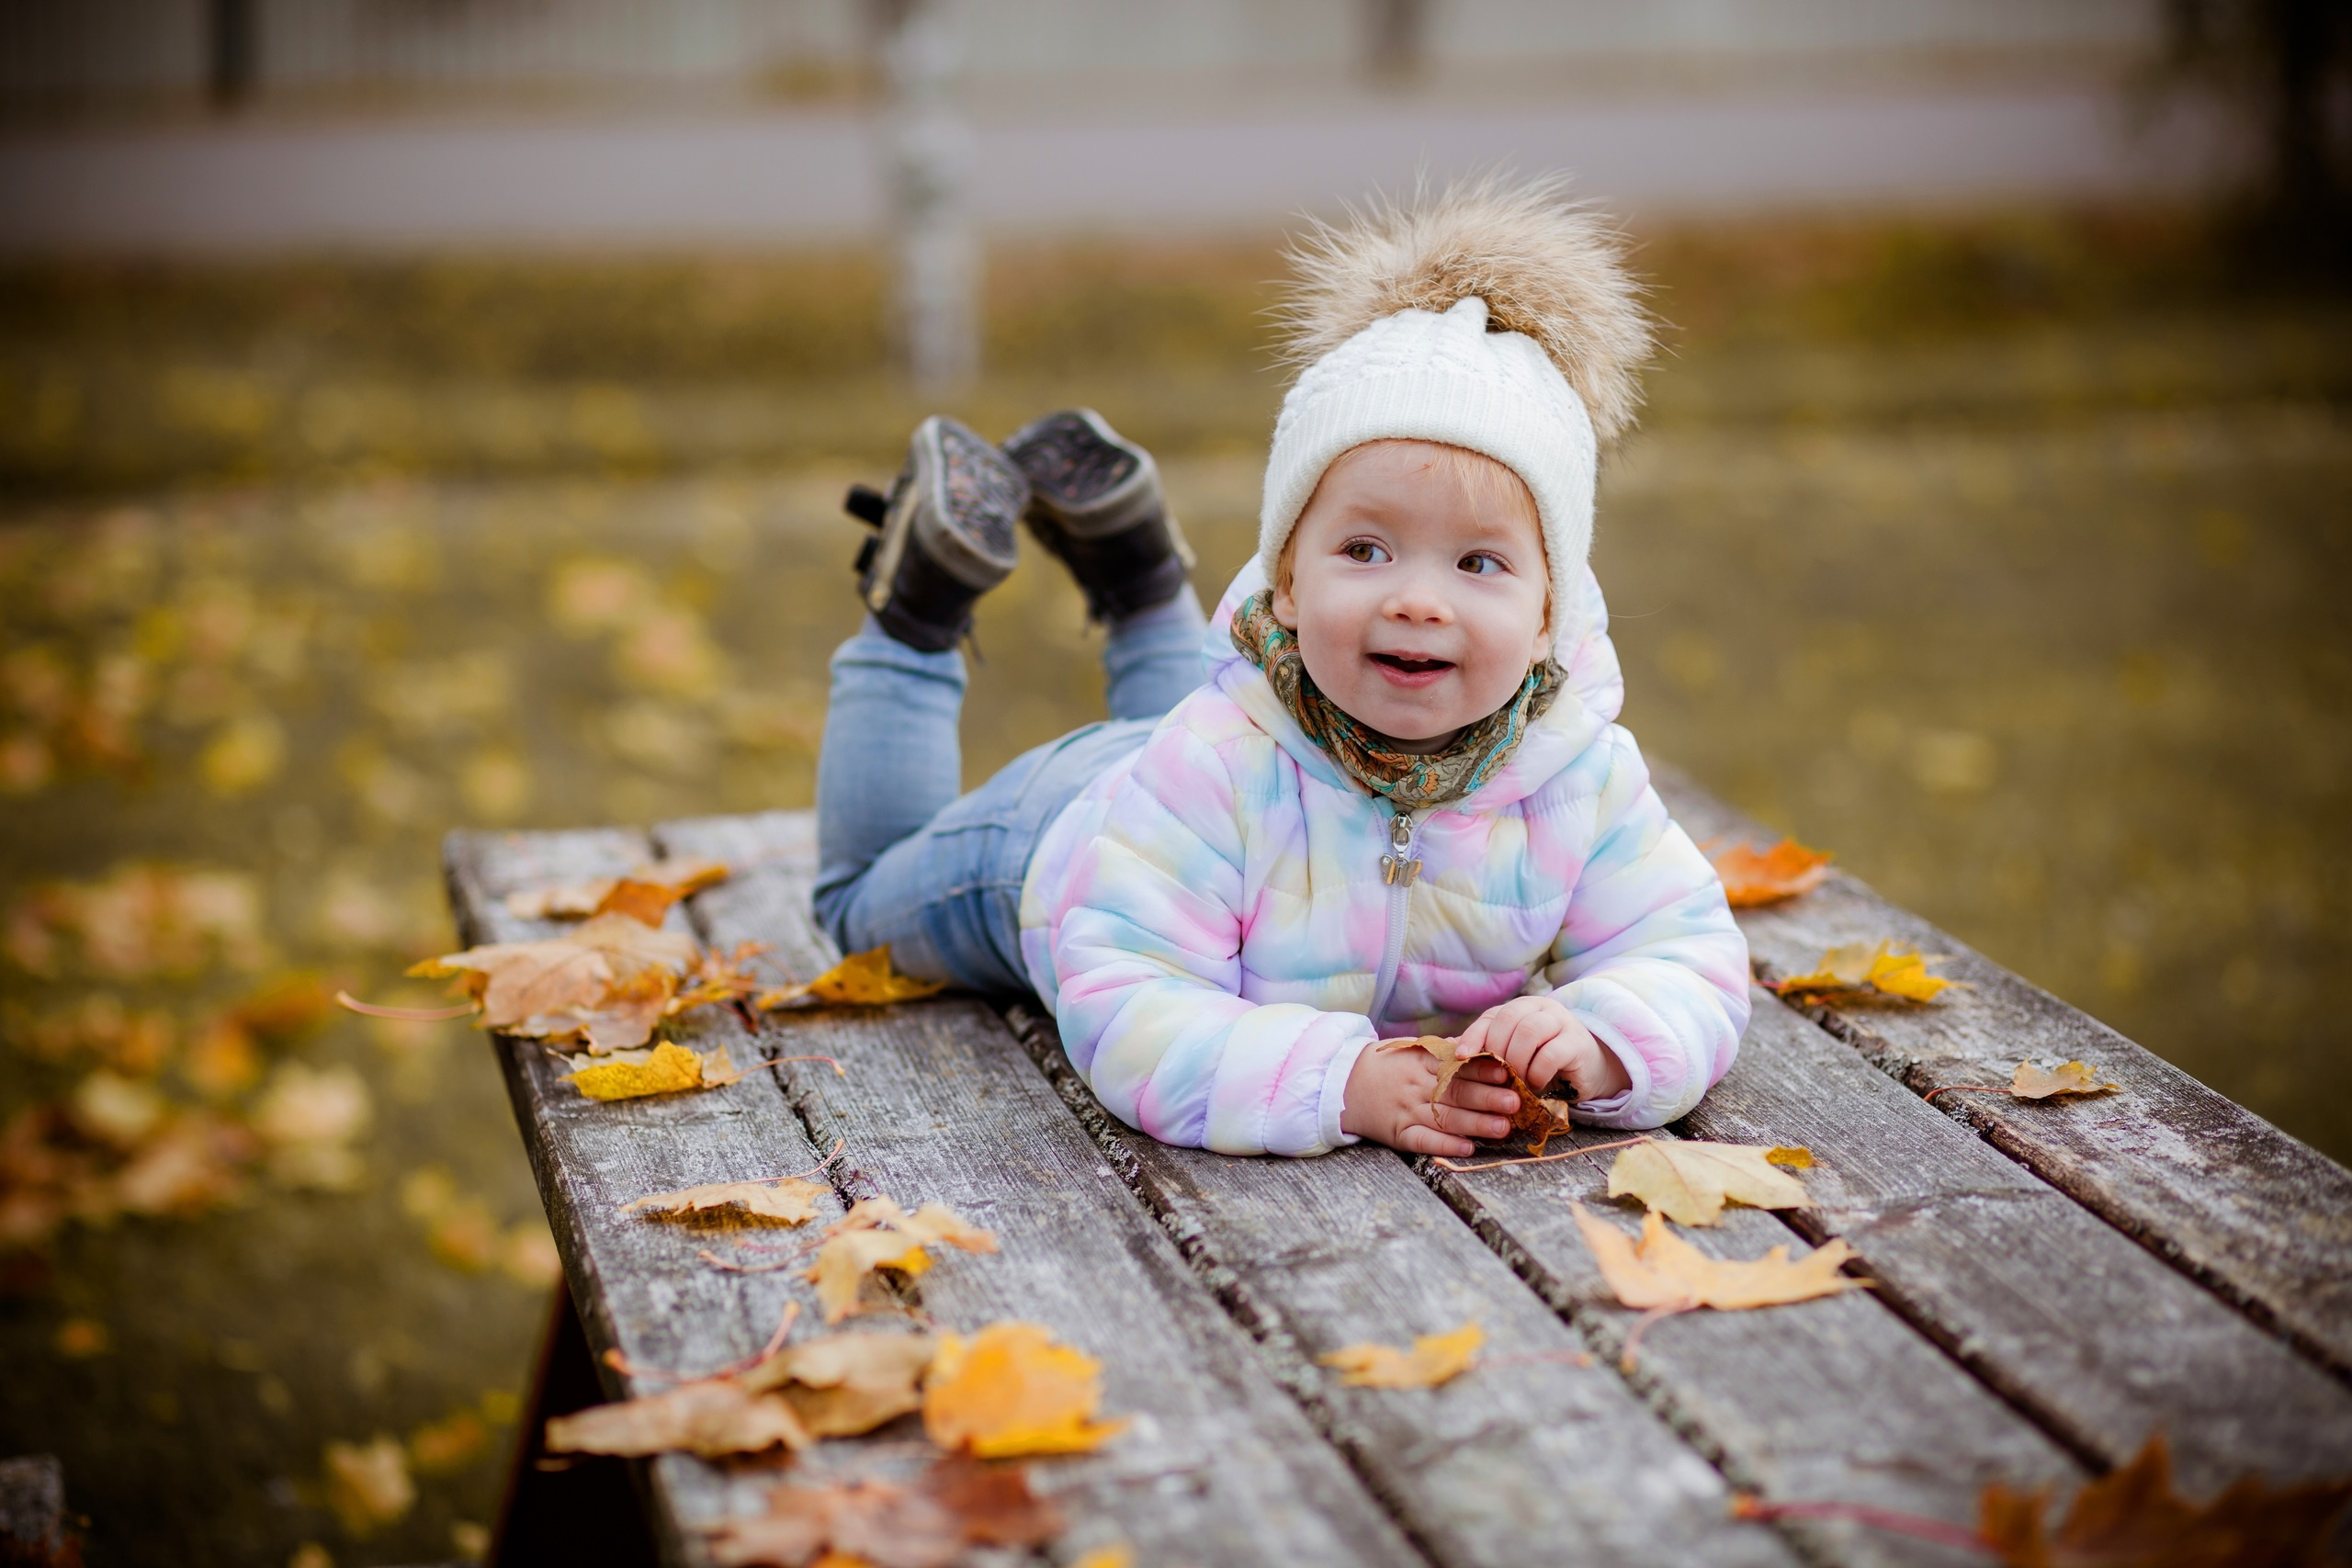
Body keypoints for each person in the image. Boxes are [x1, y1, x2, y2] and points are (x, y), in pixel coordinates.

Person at [812, 175, 1749, 1159]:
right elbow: (1130, 1001)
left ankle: (1137, 573)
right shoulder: (1212, 764)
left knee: (1208, 720)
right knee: (855, 906)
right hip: (1056, 849)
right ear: (1285, 584)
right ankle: (916, 610)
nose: (1416, 599)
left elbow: (1686, 953)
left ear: (1549, 611)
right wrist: (1334, 1083)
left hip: (1216, 768)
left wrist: (1600, 1040)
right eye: (1366, 550)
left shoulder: (1578, 777)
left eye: (1478, 563)